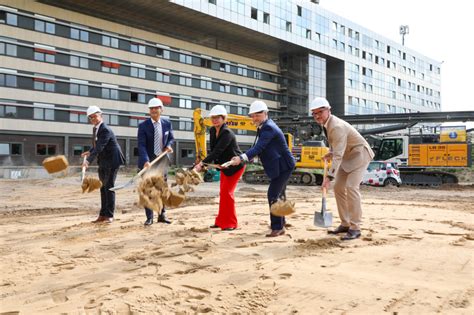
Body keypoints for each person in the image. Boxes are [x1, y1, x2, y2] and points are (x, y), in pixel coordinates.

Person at [310, 97, 374, 240]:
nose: (317, 116)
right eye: (314, 113)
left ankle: (355, 227)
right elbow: (338, 146)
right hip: (347, 156)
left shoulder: (336, 126)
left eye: (320, 112)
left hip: (359, 155)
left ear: (328, 110)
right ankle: (345, 223)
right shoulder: (327, 124)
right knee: (338, 187)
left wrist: (328, 178)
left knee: (351, 187)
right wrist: (331, 152)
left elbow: (338, 155)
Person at [230, 100, 295, 237]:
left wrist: (242, 158)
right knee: (279, 194)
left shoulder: (268, 127)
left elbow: (259, 146)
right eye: (252, 116)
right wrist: (251, 156)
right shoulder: (265, 126)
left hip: (283, 165)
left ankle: (277, 227)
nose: (254, 118)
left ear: (265, 113)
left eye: (257, 115)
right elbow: (264, 147)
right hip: (282, 164)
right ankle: (281, 222)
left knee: (273, 194)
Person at [194, 105, 245, 231]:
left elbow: (217, 151)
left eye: (218, 118)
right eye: (213, 118)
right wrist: (212, 163)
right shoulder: (212, 131)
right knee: (223, 194)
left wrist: (202, 164)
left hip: (235, 166)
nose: (215, 120)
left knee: (227, 194)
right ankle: (221, 221)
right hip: (224, 167)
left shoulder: (227, 133)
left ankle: (231, 223)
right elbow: (214, 150)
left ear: (224, 119)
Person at [81, 105, 125, 223]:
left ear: (101, 115)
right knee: (103, 187)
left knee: (109, 187)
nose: (93, 119)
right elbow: (96, 145)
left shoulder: (105, 129)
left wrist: (88, 161)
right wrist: (89, 151)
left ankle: (109, 215)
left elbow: (100, 147)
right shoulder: (96, 128)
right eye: (91, 118)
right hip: (104, 161)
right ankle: (102, 215)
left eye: (95, 116)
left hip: (112, 161)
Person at [138, 97, 175, 226]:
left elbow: (171, 138)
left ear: (161, 109)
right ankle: (149, 218)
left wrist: (169, 145)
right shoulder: (143, 126)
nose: (154, 110)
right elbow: (141, 145)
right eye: (151, 108)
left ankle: (161, 215)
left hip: (162, 161)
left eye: (156, 108)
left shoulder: (167, 123)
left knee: (161, 189)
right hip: (148, 162)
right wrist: (145, 160)